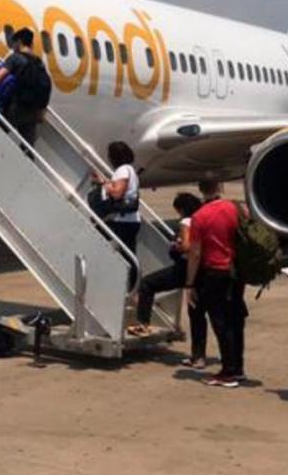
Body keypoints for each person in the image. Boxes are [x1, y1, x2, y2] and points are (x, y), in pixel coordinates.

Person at [127, 193, 206, 362]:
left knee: (147, 284)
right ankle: (199, 355)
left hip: (185, 268)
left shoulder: (186, 222)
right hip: (203, 269)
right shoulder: (201, 220)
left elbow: (187, 246)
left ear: (182, 209)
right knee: (198, 313)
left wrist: (176, 246)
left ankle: (143, 323)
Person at [186, 182, 245, 386]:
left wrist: (190, 283)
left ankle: (228, 371)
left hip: (215, 272)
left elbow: (195, 253)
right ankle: (238, 367)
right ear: (220, 188)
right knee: (236, 320)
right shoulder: (235, 208)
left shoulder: (199, 217)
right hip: (236, 271)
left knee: (220, 322)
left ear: (201, 191)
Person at [0, 29, 50, 146]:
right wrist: (41, 111)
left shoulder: (15, 58)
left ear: (19, 42)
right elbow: (43, 86)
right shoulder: (39, 62)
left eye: (14, 43)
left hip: (16, 107)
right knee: (28, 146)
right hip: (32, 111)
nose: (13, 47)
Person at [92, 141, 141, 284]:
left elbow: (117, 194)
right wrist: (104, 181)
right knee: (129, 254)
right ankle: (131, 286)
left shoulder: (122, 170)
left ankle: (126, 284)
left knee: (95, 236)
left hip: (122, 221)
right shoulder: (130, 169)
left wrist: (104, 184)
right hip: (130, 220)